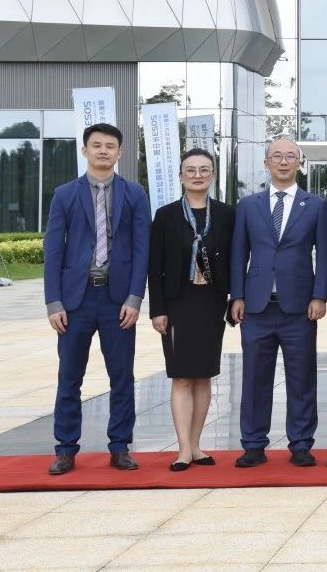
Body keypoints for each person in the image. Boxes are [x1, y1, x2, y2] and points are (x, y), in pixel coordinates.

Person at [43, 123, 150, 476]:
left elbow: (142, 249)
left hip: (118, 300)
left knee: (122, 376)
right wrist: (54, 302)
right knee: (69, 377)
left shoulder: (134, 194)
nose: (103, 151)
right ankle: (65, 449)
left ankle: (120, 447)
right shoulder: (64, 194)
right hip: (76, 300)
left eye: (110, 146)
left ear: (120, 152)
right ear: (85, 150)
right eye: (97, 145)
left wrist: (135, 298)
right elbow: (53, 251)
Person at [229, 137, 327, 468]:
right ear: (266, 163)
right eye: (277, 156)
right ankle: (253, 444)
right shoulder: (248, 205)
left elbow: (325, 255)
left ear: (300, 163)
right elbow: (238, 254)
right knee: (254, 378)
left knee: (302, 378)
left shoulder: (315, 205)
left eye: (290, 156)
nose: (283, 161)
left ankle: (300, 443)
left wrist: (319, 296)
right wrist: (237, 295)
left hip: (299, 308)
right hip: (256, 307)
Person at [147, 148, 235, 472]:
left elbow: (236, 259)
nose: (197, 175)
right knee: (182, 376)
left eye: (204, 169)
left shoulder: (227, 214)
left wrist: (235, 299)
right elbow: (154, 266)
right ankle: (183, 448)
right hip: (177, 304)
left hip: (211, 302)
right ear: (181, 175)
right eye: (191, 170)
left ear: (213, 174)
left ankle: (197, 445)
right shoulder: (166, 215)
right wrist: (157, 309)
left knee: (204, 376)